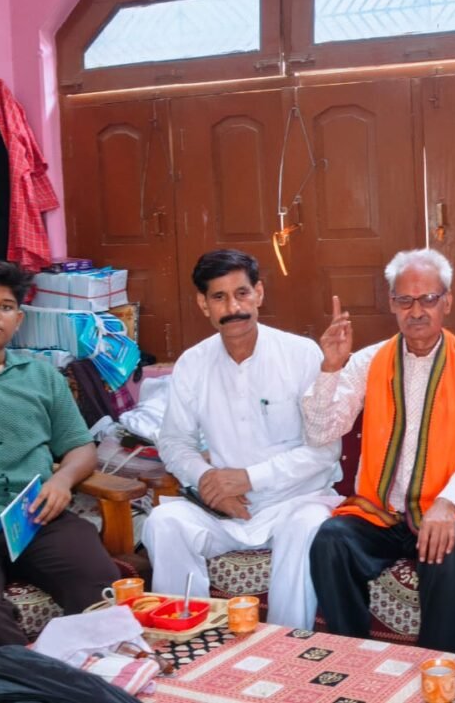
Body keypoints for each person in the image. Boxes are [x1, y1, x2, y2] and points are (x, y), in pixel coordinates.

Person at [304, 248, 455, 652]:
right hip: (379, 512)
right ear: (391, 304)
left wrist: (446, 504)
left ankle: (438, 669)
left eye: (428, 298)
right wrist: (330, 368)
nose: (417, 311)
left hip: (442, 510)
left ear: (447, 300)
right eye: (405, 300)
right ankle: (351, 660)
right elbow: (322, 431)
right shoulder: (368, 361)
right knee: (331, 540)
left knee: (445, 549)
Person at [142, 249, 340, 628]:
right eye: (219, 297)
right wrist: (207, 481)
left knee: (305, 528)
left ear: (259, 294)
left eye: (242, 293)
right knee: (164, 521)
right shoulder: (193, 363)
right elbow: (174, 443)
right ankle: (186, 638)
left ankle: (285, 649)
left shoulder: (301, 355)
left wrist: (248, 478)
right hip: (224, 509)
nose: (233, 307)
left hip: (294, 502)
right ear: (204, 304)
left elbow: (324, 451)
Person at [0, 261, 118, 658]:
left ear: (19, 318)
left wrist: (62, 481)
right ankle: (32, 686)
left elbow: (80, 447)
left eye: (5, 306)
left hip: (37, 518)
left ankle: (91, 677)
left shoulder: (42, 376)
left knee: (98, 580)